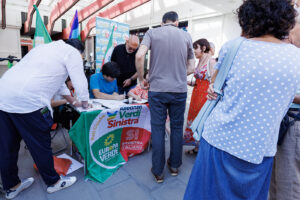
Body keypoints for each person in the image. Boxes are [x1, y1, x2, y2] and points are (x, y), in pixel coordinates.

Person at [184, 0, 300, 199]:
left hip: (219, 141)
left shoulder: (234, 46)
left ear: (248, 17)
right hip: (261, 148)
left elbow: (216, 83)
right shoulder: (295, 57)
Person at [0, 39, 89, 199]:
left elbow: (59, 83)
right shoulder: (72, 53)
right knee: (40, 145)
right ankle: (53, 183)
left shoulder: (45, 49)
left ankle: (12, 186)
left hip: (3, 96)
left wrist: (72, 101)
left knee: (8, 146)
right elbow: (79, 81)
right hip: (29, 101)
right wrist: (84, 102)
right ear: (79, 51)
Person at [136, 11, 195, 183]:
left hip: (157, 90)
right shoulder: (186, 36)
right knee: (177, 127)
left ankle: (158, 171)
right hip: (179, 90)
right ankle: (175, 166)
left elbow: (140, 55)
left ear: (163, 23)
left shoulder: (152, 32)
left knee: (158, 128)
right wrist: (177, 74)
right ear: (177, 22)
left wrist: (142, 79)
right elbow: (191, 66)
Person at [269, 4, 300, 200]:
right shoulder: (290, 56)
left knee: (288, 183)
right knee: (276, 181)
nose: (285, 37)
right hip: (283, 121)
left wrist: (283, 94)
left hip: (294, 122)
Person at [184, 39, 216, 154]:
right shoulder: (199, 62)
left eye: (195, 48)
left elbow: (214, 82)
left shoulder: (211, 62)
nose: (194, 51)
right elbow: (198, 81)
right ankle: (197, 148)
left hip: (205, 97)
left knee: (202, 122)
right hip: (196, 96)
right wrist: (187, 82)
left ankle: (203, 151)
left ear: (203, 48)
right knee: (194, 122)